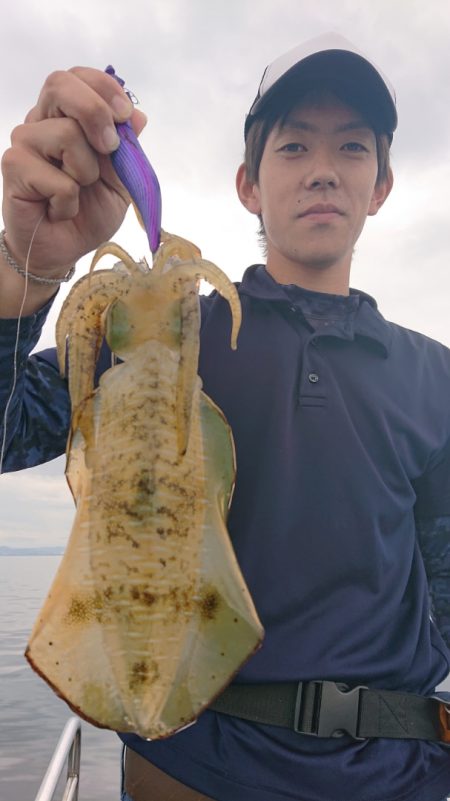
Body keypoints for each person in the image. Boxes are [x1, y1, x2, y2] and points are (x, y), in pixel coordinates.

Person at [1, 31, 450, 801]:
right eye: (293, 147)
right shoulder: (160, 337)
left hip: (398, 775)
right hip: (195, 768)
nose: (321, 170)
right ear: (248, 183)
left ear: (380, 186)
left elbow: (439, 570)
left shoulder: (434, 374)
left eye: (351, 148)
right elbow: (11, 428)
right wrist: (26, 271)